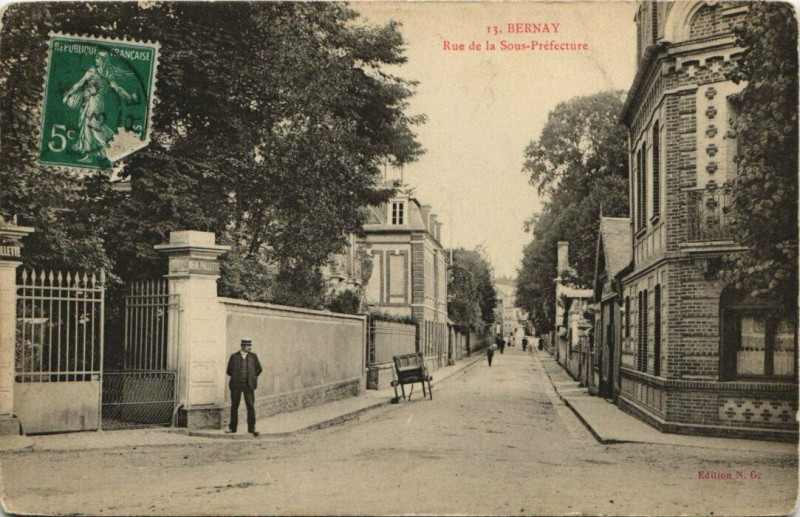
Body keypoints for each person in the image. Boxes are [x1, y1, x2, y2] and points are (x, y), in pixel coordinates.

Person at [62, 50, 138, 163]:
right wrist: (128, 97)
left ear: (102, 60)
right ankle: (89, 156)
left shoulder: (98, 72)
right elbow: (80, 83)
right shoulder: (103, 72)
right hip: (88, 100)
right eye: (96, 58)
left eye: (98, 58)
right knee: (86, 126)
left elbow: (114, 87)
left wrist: (68, 95)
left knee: (94, 126)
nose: (95, 60)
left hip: (95, 101)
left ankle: (109, 147)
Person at [226, 339, 263, 436]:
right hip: (236, 385)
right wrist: (237, 377)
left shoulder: (253, 357)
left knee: (250, 406)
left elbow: (259, 369)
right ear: (242, 346)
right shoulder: (234, 357)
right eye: (247, 346)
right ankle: (232, 428)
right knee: (234, 406)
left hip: (249, 385)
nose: (249, 347)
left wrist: (252, 377)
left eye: (250, 345)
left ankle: (252, 428)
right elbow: (229, 371)